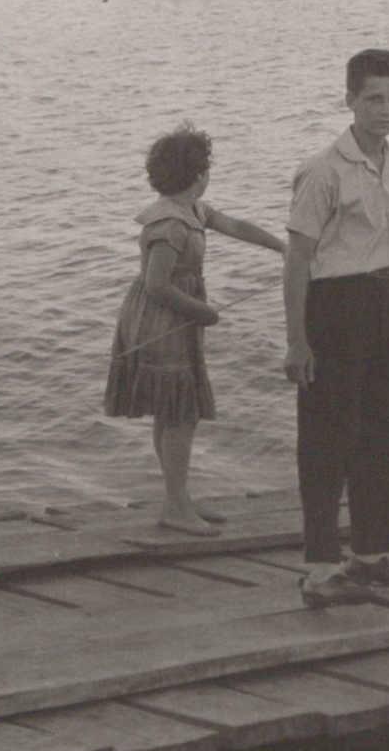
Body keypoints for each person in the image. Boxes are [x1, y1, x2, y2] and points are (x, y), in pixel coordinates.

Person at [284, 49, 389, 608]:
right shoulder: (323, 169)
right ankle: (320, 570)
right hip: (335, 308)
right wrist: (297, 340)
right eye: (374, 99)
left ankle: (371, 554)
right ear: (350, 100)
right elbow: (297, 260)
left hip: (385, 306)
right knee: (329, 438)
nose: (385, 110)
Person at [106, 123, 285, 535]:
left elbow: (235, 226)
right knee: (180, 412)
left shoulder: (194, 210)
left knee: (171, 411)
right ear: (196, 175)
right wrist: (202, 311)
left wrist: (282, 247)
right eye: (206, 167)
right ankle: (174, 505)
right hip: (161, 317)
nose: (209, 174)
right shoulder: (170, 224)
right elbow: (157, 284)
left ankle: (179, 496)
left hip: (173, 315)